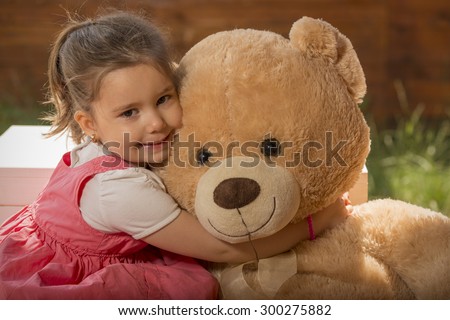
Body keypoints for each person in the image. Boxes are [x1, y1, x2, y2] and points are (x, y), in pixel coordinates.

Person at [0, 10, 351, 300]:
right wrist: (317, 222)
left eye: (163, 99)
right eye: (129, 113)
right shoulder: (119, 191)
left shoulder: (115, 146)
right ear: (88, 123)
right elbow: (223, 250)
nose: (155, 122)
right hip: (69, 277)